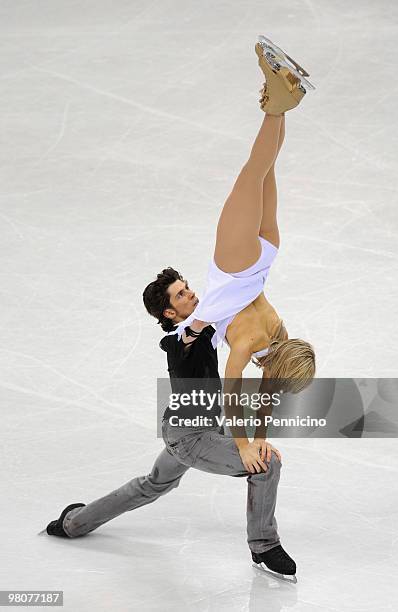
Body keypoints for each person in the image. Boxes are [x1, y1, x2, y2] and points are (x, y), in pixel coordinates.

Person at [44, 35, 315, 581]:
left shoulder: (247, 330)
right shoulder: (209, 334)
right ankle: (263, 546)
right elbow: (239, 388)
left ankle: (73, 525)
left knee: (154, 483)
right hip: (200, 407)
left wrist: (253, 433)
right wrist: (250, 445)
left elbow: (254, 393)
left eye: (188, 287)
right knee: (267, 467)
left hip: (198, 412)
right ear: (170, 315)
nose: (190, 293)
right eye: (181, 296)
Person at [169, 35, 316, 396]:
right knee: (252, 173)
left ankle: (281, 97)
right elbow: (234, 400)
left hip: (266, 255)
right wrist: (246, 444)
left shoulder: (277, 331)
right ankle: (278, 103)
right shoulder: (246, 346)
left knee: (264, 171)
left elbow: (267, 394)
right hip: (237, 265)